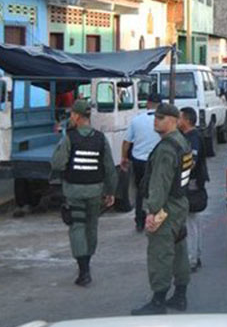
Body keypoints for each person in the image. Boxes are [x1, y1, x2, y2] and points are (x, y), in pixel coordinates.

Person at [131, 103, 193, 315]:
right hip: (180, 204)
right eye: (156, 117)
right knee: (179, 250)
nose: (156, 121)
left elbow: (160, 182)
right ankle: (180, 296)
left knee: (160, 252)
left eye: (161, 118)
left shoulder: (167, 148)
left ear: (174, 121)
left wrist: (152, 211)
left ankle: (158, 301)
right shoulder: (181, 142)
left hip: (166, 208)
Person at [50, 100, 117, 287]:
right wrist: (111, 192)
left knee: (77, 227)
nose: (70, 117)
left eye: (72, 114)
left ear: (77, 116)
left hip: (74, 190)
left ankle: (84, 270)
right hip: (95, 190)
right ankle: (87, 263)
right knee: (91, 226)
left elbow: (57, 163)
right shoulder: (100, 138)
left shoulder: (69, 138)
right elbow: (110, 168)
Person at [121, 93, 163, 232]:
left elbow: (127, 142)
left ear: (148, 103)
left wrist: (124, 158)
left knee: (140, 191)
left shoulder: (136, 120)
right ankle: (157, 220)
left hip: (139, 161)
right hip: (157, 161)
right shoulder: (163, 121)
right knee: (157, 190)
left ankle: (140, 220)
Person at [178, 107, 209, 272]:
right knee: (193, 222)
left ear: (187, 120)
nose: (177, 121)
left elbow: (192, 162)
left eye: (179, 118)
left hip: (191, 185)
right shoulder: (190, 136)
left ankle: (191, 259)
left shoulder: (193, 138)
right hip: (193, 183)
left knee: (190, 223)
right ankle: (195, 256)